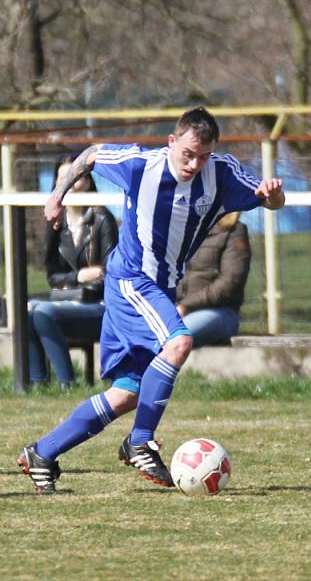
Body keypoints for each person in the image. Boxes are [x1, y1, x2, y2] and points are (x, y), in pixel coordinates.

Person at [18, 106, 284, 494]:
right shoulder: (141, 165)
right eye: (187, 154)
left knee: (127, 394)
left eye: (203, 156)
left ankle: (42, 452)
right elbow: (90, 154)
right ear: (172, 142)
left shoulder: (221, 173)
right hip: (130, 280)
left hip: (161, 288)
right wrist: (56, 196)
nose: (194, 164)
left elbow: (270, 200)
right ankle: (140, 441)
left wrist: (274, 196)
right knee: (180, 342)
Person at [28, 154, 118, 387]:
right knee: (28, 312)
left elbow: (110, 274)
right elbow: (52, 277)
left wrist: (83, 287)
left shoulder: (102, 219)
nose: (69, 184)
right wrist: (79, 277)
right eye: (62, 178)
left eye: (74, 177)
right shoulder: (55, 222)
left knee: (43, 312)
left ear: (87, 182)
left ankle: (67, 384)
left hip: (99, 306)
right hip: (68, 302)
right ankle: (38, 385)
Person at [176, 212, 251, 347]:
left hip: (219, 311)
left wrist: (185, 305)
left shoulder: (233, 231)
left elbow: (230, 283)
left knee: (174, 337)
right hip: (174, 311)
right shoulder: (177, 227)